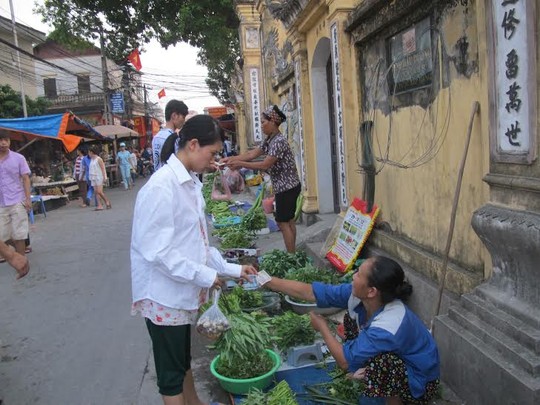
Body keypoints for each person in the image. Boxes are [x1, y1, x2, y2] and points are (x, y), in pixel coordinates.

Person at [131, 114, 257, 405]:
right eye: (212, 153)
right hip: (164, 296)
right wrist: (206, 276)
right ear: (193, 144)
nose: (213, 160)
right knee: (171, 376)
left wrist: (233, 269)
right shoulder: (161, 187)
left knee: (183, 360)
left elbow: (198, 244)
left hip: (179, 292)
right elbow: (158, 252)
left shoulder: (189, 183)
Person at [264, 256, 440, 405]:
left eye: (358, 274)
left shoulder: (389, 325)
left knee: (384, 363)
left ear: (371, 291)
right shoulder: (359, 296)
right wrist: (265, 279)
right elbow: (311, 293)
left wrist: (322, 327)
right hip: (399, 363)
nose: (353, 276)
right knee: (351, 318)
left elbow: (344, 362)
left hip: (420, 382)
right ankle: (364, 370)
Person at [222, 105, 301, 253]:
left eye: (264, 122)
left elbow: (265, 164)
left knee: (282, 222)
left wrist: (240, 164)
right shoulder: (270, 139)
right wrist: (231, 159)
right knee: (288, 221)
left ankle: (291, 255)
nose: (262, 126)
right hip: (286, 186)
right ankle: (293, 252)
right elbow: (252, 154)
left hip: (287, 187)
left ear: (273, 122)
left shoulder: (278, 142)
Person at [0, 132, 32, 259]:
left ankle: (21, 260)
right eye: (0, 140)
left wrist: (28, 199)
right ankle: (15, 252)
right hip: (1, 203)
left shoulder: (19, 158)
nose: (3, 143)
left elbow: (25, 179)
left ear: (9, 142)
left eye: (5, 140)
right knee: (2, 235)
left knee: (19, 234)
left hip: (17, 200)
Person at [152, 100, 189, 172]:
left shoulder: (156, 137)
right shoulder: (174, 138)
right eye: (183, 117)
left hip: (158, 177)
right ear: (174, 116)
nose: (184, 121)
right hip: (170, 179)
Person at [88, 146, 111, 210]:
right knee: (96, 192)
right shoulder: (92, 160)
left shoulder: (99, 159)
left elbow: (103, 169)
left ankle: (107, 201)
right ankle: (99, 205)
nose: (88, 154)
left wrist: (104, 177)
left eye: (89, 152)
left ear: (92, 152)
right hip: (93, 177)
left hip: (99, 176)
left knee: (99, 191)